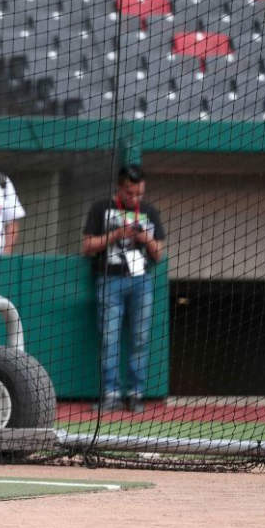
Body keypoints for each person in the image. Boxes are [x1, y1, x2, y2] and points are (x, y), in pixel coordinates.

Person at [81, 164, 166, 414]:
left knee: (141, 337)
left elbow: (159, 254)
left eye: (139, 193)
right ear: (120, 188)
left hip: (141, 280)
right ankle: (111, 393)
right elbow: (87, 246)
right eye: (130, 193)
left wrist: (145, 238)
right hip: (110, 279)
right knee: (110, 337)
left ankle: (136, 393)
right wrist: (118, 234)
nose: (135, 198)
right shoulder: (101, 209)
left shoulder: (149, 211)